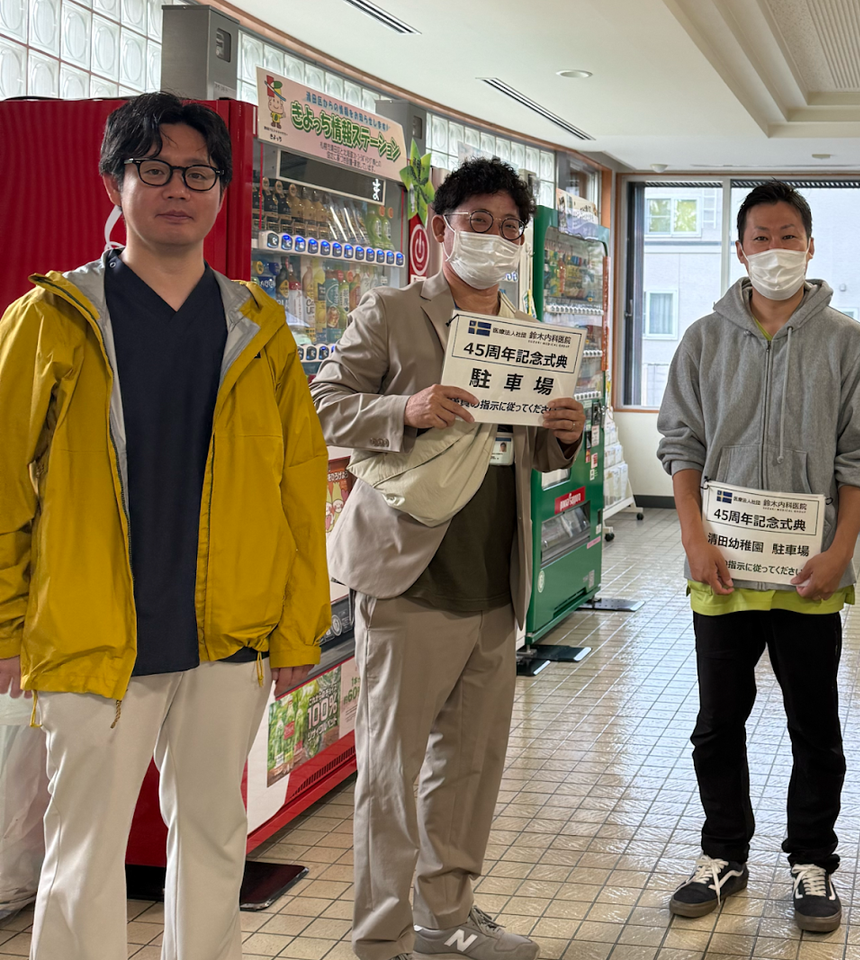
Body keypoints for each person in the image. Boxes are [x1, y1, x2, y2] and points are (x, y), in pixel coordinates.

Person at [0, 92, 329, 960]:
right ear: (114, 181)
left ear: (221, 190)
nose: (176, 188)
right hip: (93, 636)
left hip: (229, 638)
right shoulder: (52, 319)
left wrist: (298, 627)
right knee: (82, 856)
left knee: (217, 840)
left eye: (197, 172)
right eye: (153, 169)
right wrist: (5, 629)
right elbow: (1, 489)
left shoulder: (258, 326)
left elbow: (299, 491)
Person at [311, 157, 584, 960]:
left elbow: (533, 452)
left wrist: (563, 434)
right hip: (409, 577)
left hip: (495, 580)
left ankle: (446, 919)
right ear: (441, 229)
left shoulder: (528, 334)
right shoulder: (393, 311)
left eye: (509, 227)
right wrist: (408, 407)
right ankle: (380, 938)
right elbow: (322, 404)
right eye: (478, 222)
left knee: (469, 769)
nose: (494, 238)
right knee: (390, 774)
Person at [656, 180, 860, 933]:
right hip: (723, 571)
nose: (775, 250)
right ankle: (723, 852)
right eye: (761, 237)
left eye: (789, 236)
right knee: (717, 724)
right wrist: (692, 536)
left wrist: (840, 550)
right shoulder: (704, 339)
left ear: (810, 246)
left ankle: (812, 860)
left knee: (814, 726)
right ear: (740, 249)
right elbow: (681, 444)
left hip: (807, 575)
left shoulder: (847, 343)